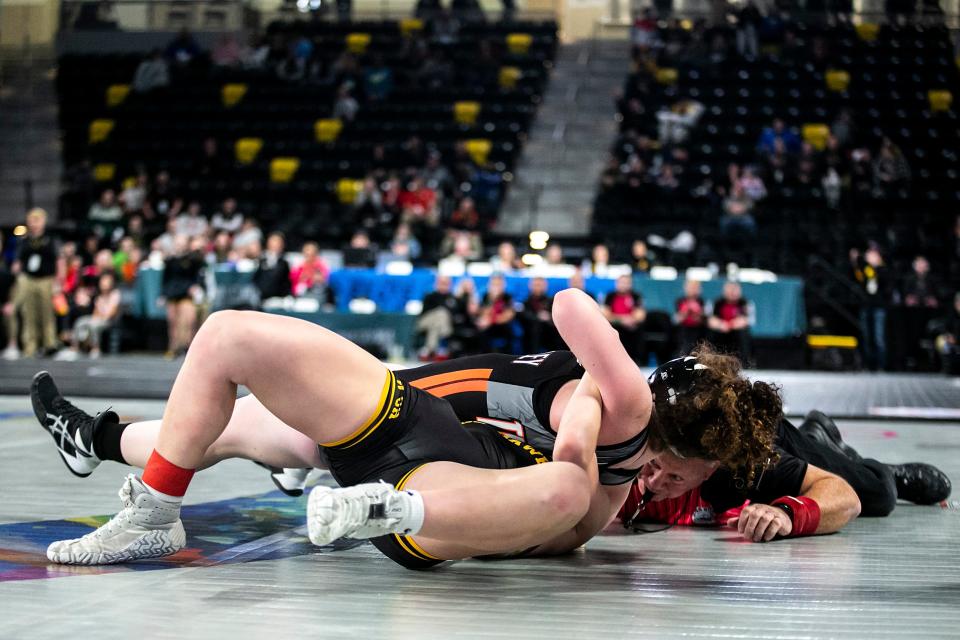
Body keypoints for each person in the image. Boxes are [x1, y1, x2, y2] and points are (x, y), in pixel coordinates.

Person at [35, 291, 781, 567]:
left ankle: (385, 507)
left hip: (443, 478)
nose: (662, 488)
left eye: (677, 484)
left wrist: (593, 448)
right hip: (408, 409)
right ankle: (131, 482)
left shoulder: (636, 457)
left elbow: (564, 528)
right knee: (230, 348)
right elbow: (572, 309)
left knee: (559, 491)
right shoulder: (616, 426)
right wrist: (594, 425)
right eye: (668, 471)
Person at [619, 409, 951, 541]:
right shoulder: (623, 459)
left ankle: (833, 449)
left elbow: (847, 499)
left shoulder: (750, 467)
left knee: (877, 495)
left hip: (767, 439)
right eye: (652, 466)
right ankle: (817, 438)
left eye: (676, 478)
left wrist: (788, 513)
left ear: (709, 470)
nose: (653, 483)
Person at [13, 208, 59, 357]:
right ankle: (30, 345)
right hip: (29, 279)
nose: (34, 224)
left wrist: (58, 281)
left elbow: (58, 260)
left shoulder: (50, 239)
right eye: (32, 220)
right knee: (29, 314)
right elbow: (18, 262)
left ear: (43, 221)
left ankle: (49, 343)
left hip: (46, 279)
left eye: (37, 220)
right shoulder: (25, 240)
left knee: (46, 313)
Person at [56, 272, 121, 360]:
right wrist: (94, 318)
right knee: (81, 321)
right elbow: (96, 311)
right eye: (103, 281)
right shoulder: (99, 296)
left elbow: (113, 311)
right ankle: (75, 347)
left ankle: (95, 348)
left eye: (106, 281)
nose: (104, 283)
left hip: (108, 320)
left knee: (94, 325)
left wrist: (100, 318)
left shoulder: (115, 294)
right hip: (99, 318)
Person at [162, 236, 204, 358]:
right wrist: (163, 294)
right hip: (172, 294)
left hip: (186, 293)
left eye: (182, 243)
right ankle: (173, 347)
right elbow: (165, 279)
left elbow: (198, 275)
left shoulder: (193, 259)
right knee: (173, 322)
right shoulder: (170, 260)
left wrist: (195, 287)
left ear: (187, 244)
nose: (180, 245)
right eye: (177, 243)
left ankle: (188, 346)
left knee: (188, 321)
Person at [602, 274, 646, 362]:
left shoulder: (635, 296)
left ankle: (637, 360)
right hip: (615, 326)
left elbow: (641, 315)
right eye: (622, 283)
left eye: (626, 283)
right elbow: (606, 315)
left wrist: (630, 320)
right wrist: (622, 320)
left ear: (631, 284)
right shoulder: (610, 296)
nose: (624, 285)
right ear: (617, 284)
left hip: (631, 327)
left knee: (638, 329)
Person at [417, 275, 457, 360]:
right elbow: (424, 312)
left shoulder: (452, 297)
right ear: (436, 284)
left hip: (439, 324)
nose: (444, 285)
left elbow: (454, 314)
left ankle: (429, 349)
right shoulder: (430, 295)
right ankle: (443, 341)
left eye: (446, 283)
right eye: (442, 283)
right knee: (440, 313)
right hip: (425, 321)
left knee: (436, 325)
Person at [708, 281, 751, 362]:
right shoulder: (717, 302)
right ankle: (713, 359)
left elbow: (746, 320)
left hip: (735, 329)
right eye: (729, 290)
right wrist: (721, 324)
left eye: (734, 290)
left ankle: (744, 361)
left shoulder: (744, 303)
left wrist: (730, 325)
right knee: (712, 332)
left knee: (743, 332)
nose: (732, 292)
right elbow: (711, 320)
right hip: (721, 329)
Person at [476, 274, 516, 352]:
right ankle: (485, 357)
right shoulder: (486, 296)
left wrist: (492, 319)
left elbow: (508, 316)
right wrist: (492, 299)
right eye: (494, 284)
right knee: (481, 331)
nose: (496, 287)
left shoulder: (508, 297)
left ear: (503, 285)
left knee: (510, 331)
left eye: (499, 284)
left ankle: (506, 357)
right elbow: (483, 314)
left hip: (503, 325)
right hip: (489, 325)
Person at [520, 277, 555, 353]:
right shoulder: (526, 302)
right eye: (536, 285)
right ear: (531, 286)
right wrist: (538, 317)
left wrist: (549, 317)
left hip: (549, 331)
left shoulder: (551, 301)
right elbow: (524, 315)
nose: (538, 287)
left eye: (540, 285)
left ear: (545, 286)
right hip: (531, 332)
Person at [674, 279, 707, 356]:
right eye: (691, 287)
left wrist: (697, 312)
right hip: (684, 329)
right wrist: (687, 310)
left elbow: (705, 317)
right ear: (686, 288)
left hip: (699, 329)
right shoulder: (680, 301)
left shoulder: (702, 301)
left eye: (695, 288)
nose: (693, 290)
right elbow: (677, 318)